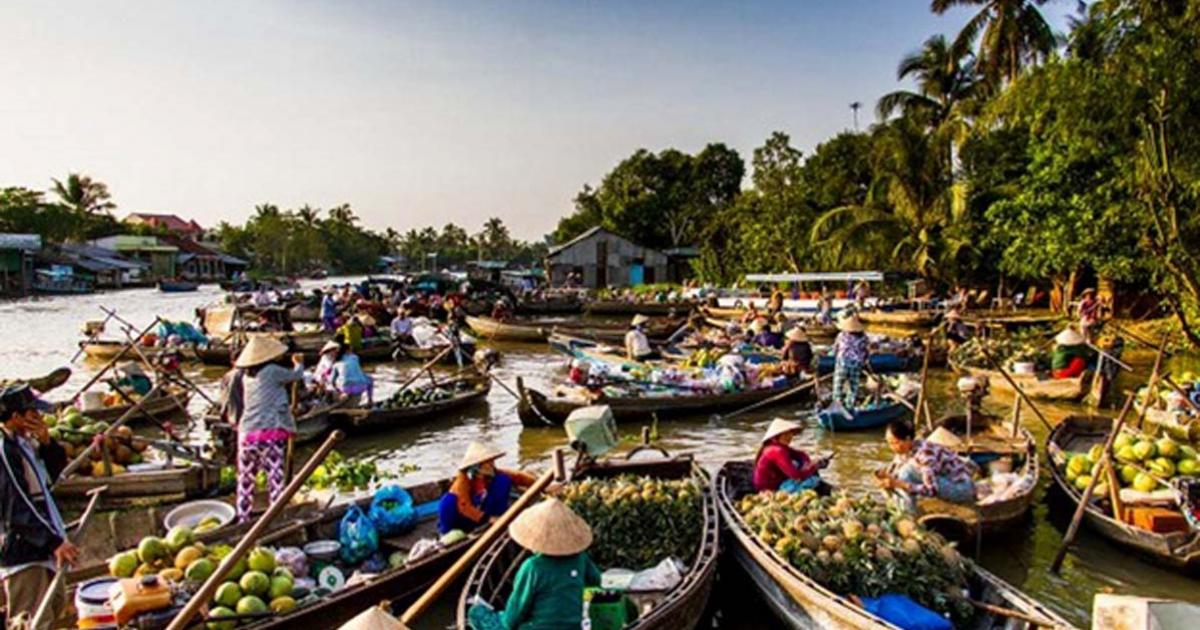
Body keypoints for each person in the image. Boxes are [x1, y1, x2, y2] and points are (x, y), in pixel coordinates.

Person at [0, 385, 74, 630]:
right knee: (32, 620)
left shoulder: (25, 444)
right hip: (25, 549)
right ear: (15, 417)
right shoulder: (5, 451)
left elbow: (52, 479)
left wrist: (48, 444)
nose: (40, 419)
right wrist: (53, 542)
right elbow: (17, 505)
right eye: (33, 414)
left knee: (55, 608)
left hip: (42, 544)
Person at [467, 498, 601, 630]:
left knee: (476, 612)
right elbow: (596, 580)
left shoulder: (532, 567)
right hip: (573, 627)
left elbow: (512, 619)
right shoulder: (580, 559)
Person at [221, 337, 306, 523]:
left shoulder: (246, 376)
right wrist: (298, 363)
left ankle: (243, 518)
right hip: (268, 434)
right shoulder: (272, 371)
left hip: (245, 435)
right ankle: (277, 518)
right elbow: (297, 375)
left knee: (245, 481)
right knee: (275, 480)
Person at [438, 442, 535, 535]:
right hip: (463, 517)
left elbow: (518, 476)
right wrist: (489, 519)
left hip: (483, 508)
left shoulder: (492, 474)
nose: (492, 464)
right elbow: (464, 507)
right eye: (488, 462)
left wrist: (538, 484)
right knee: (449, 501)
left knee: (503, 480)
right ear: (477, 466)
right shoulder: (464, 480)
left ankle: (500, 517)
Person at [877, 420, 977, 504]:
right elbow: (895, 470)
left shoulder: (925, 455)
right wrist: (887, 477)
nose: (892, 447)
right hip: (946, 480)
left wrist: (898, 484)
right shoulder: (907, 450)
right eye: (889, 443)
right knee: (903, 472)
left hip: (962, 489)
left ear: (907, 439)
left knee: (906, 472)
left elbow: (931, 490)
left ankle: (908, 515)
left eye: (894, 443)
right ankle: (905, 509)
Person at [753, 418, 828, 493]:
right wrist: (813, 467)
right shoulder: (777, 450)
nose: (789, 437)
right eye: (785, 434)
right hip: (769, 488)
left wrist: (808, 464)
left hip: (776, 481)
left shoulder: (779, 446)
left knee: (800, 465)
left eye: (790, 434)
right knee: (814, 481)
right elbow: (796, 476)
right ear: (776, 436)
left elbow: (801, 454)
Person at [831, 315, 868, 414]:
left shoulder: (841, 335)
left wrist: (835, 355)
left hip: (842, 363)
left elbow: (835, 349)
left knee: (838, 386)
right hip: (856, 364)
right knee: (853, 387)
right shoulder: (863, 337)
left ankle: (837, 406)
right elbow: (865, 352)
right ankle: (849, 407)